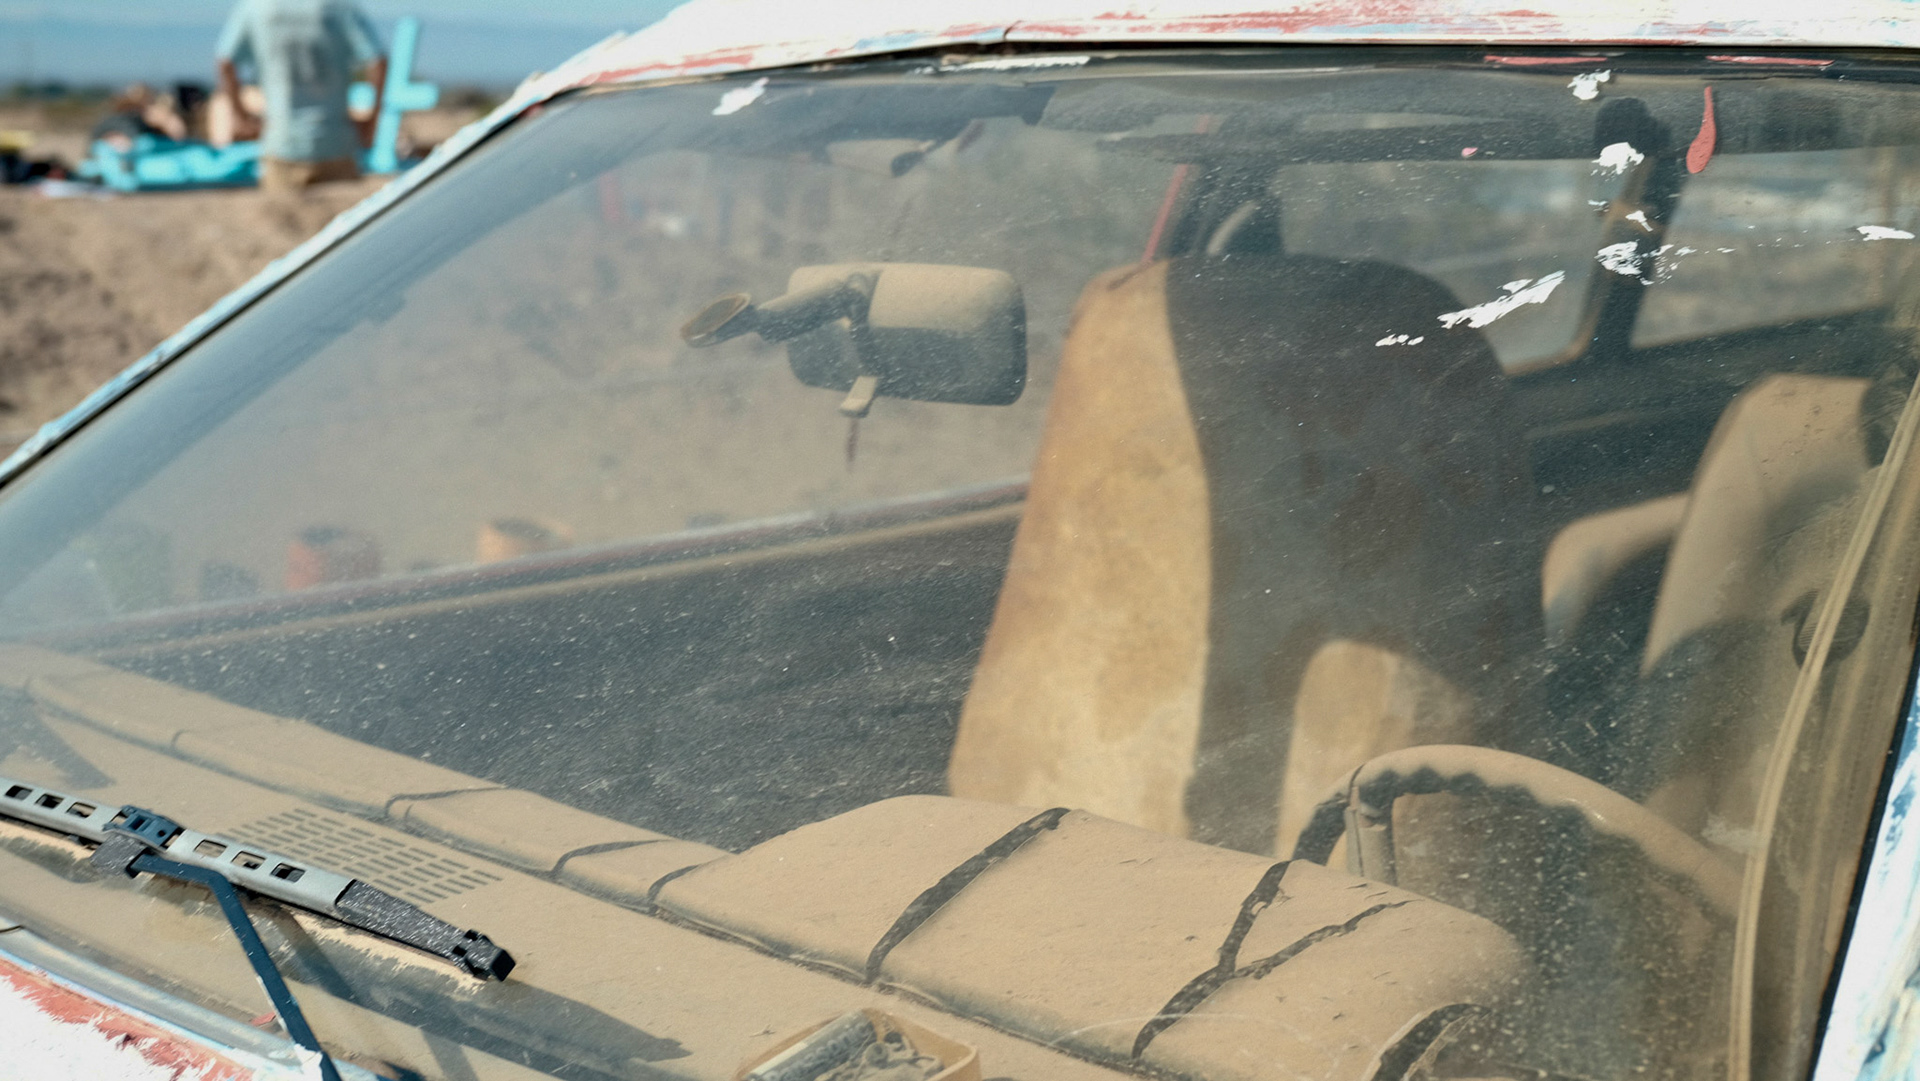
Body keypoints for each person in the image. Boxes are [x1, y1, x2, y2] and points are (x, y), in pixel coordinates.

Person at [215, 0, 387, 193]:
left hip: (282, 141)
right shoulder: (338, 6)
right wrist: (371, 123)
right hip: (336, 141)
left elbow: (225, 61)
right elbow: (378, 59)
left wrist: (241, 117)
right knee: (347, 221)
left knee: (280, 219)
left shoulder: (257, 7)